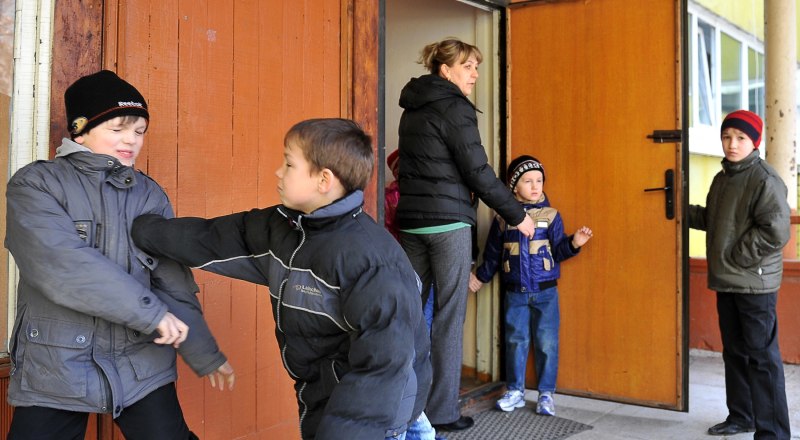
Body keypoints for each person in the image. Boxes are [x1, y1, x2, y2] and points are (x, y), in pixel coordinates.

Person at [131, 118, 435, 440]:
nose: (279, 171)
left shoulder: (372, 262)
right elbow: (209, 238)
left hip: (379, 416)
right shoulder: (283, 228)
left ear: (324, 180)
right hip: (327, 400)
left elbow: (382, 368)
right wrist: (140, 229)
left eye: (289, 164)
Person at [5, 70, 234, 440]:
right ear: (80, 130)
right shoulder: (36, 184)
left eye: (139, 131)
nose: (132, 140)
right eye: (118, 129)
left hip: (140, 361)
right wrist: (153, 315)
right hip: (56, 362)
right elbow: (65, 266)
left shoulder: (148, 194)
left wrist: (203, 351)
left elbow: (171, 281)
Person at [396, 37, 536, 432]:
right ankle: (440, 413)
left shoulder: (412, 106)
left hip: (412, 223)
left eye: (477, 65)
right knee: (448, 317)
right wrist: (517, 216)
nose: (475, 73)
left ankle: (403, 407)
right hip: (448, 225)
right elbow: (477, 171)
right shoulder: (455, 106)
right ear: (446, 70)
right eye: (468, 66)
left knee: (409, 315)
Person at [688, 110, 791, 439]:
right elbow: (718, 221)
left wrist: (737, 255)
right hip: (727, 279)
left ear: (755, 141)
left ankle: (773, 432)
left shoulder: (764, 179)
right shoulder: (723, 178)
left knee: (762, 359)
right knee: (734, 352)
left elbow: (775, 232)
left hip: (753, 282)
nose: (732, 144)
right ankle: (741, 416)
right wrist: (678, 209)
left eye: (741, 138)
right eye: (727, 136)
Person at [469, 155, 592, 417]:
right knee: (515, 341)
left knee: (547, 342)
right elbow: (492, 254)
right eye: (527, 181)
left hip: (546, 292)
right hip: (515, 293)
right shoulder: (503, 219)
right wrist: (480, 276)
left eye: (539, 180)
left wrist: (574, 243)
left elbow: (558, 251)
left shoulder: (551, 215)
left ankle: (546, 393)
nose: (536, 186)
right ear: (514, 187)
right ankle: (515, 391)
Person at [385, 149, 434, 330]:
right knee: (420, 311)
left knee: (422, 309)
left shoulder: (420, 191)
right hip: (406, 258)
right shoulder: (393, 196)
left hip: (416, 258)